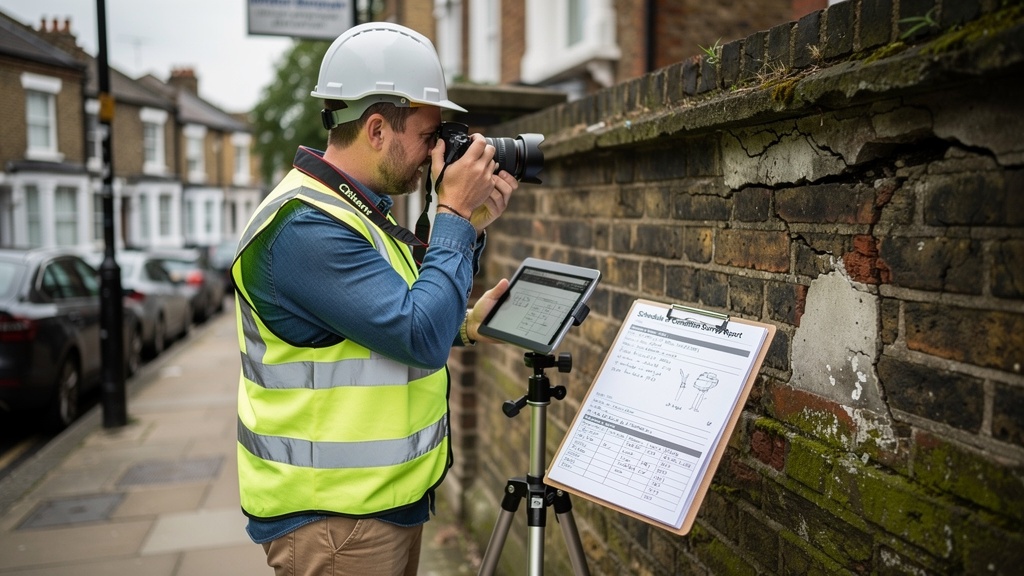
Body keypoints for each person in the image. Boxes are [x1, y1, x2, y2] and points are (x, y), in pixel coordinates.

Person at [231, 22, 519, 576]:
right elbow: (417, 335)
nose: (435, 152)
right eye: (429, 135)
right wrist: (454, 216)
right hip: (334, 523)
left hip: (375, 507)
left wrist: (461, 312)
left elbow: (400, 315)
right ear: (378, 128)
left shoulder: (358, 212)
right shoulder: (304, 227)